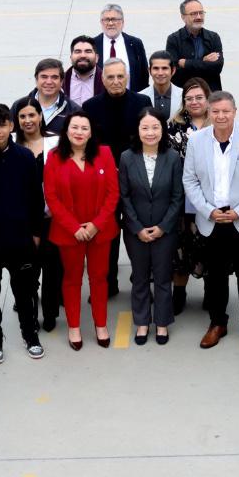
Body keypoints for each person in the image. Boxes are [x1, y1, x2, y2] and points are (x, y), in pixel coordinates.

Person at [182, 91, 239, 351]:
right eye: (216, 111)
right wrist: (208, 210)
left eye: (226, 111)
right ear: (209, 112)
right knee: (215, 274)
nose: (221, 116)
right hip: (211, 219)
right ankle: (218, 322)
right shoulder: (197, 140)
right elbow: (190, 180)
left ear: (235, 111)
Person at [0, 104, 47, 363]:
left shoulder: (25, 158)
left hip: (21, 240)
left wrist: (35, 232)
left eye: (3, 125)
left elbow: (36, 197)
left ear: (11, 126)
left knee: (25, 293)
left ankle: (30, 335)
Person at [44, 112, 120, 350]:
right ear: (66, 131)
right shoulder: (54, 157)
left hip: (100, 230)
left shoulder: (104, 154)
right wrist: (74, 227)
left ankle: (100, 325)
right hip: (70, 232)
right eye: (74, 127)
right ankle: (74, 327)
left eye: (84, 128)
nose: (79, 132)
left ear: (91, 132)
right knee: (72, 279)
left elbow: (112, 193)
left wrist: (96, 224)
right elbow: (52, 197)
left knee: (99, 278)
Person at [83, 58, 151, 299]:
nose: (115, 81)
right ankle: (106, 282)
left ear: (127, 77)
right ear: (102, 80)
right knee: (106, 236)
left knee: (138, 233)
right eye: (110, 77)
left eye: (120, 76)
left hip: (136, 180)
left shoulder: (142, 102)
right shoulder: (90, 107)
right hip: (104, 182)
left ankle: (141, 283)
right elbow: (89, 145)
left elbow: (147, 139)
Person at [119, 110, 184, 345]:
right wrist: (137, 227)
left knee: (163, 277)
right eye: (145, 128)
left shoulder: (172, 158)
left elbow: (178, 196)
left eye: (155, 127)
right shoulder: (127, 157)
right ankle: (143, 323)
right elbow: (124, 196)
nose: (150, 133)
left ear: (162, 129)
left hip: (164, 231)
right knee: (140, 278)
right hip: (135, 230)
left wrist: (163, 227)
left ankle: (163, 323)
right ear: (137, 130)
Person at [13, 97, 65, 333]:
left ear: (40, 116)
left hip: (53, 218)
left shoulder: (56, 143)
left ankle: (51, 312)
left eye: (31, 115)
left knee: (53, 268)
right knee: (27, 270)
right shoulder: (12, 147)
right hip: (23, 221)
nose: (27, 120)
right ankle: (30, 313)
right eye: (22, 116)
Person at [166, 78, 212, 314]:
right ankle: (180, 293)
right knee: (181, 246)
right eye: (189, 98)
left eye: (199, 97)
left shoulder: (220, 123)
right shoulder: (173, 126)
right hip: (182, 197)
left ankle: (210, 292)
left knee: (207, 245)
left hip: (212, 199)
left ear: (208, 98)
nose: (194, 102)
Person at [166, 0, 225, 91]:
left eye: (201, 13)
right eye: (193, 14)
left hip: (211, 95)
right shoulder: (173, 39)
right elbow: (175, 73)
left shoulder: (213, 37)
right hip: (184, 95)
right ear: (183, 17)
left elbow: (217, 68)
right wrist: (204, 61)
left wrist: (187, 63)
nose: (199, 17)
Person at [97, 3, 148, 91]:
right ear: (101, 22)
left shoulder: (135, 43)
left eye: (114, 19)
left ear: (122, 22)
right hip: (101, 101)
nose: (110, 23)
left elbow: (144, 74)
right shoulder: (93, 45)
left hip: (131, 100)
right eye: (106, 20)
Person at [24, 58, 73, 136]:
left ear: (62, 81)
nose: (49, 82)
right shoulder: (19, 107)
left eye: (54, 77)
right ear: (36, 79)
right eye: (44, 77)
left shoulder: (73, 111)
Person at [139, 50, 181, 123]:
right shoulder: (139, 97)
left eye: (164, 68)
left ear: (173, 70)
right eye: (156, 68)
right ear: (149, 71)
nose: (160, 73)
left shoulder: (183, 96)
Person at [63, 36, 100, 107]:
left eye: (88, 51)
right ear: (71, 58)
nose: (83, 55)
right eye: (78, 51)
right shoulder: (60, 81)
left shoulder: (108, 81)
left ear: (97, 58)